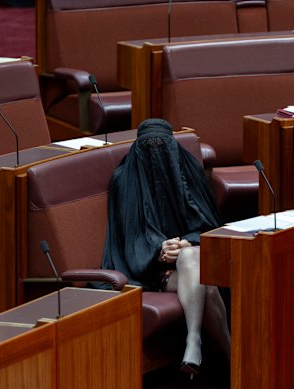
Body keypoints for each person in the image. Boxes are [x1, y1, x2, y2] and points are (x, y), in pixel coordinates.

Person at [102, 118, 231, 378]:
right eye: (149, 146)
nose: (156, 152)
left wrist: (187, 241)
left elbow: (210, 224)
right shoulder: (123, 180)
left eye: (162, 146)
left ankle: (195, 342)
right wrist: (158, 250)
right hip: (151, 272)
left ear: (173, 147)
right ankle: (233, 360)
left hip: (189, 263)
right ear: (138, 148)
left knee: (190, 255)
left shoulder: (189, 170)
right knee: (206, 282)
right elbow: (126, 237)